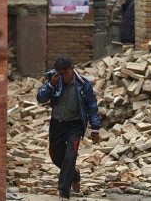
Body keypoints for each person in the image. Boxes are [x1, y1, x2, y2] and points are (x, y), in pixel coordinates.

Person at [36, 55, 101, 200]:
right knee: (55, 156)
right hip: (57, 123)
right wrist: (50, 85)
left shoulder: (83, 84)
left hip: (75, 125)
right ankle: (74, 175)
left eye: (65, 72)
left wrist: (95, 128)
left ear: (72, 69)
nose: (63, 76)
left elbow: (92, 106)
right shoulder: (53, 80)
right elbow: (40, 98)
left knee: (70, 156)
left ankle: (63, 192)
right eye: (60, 73)